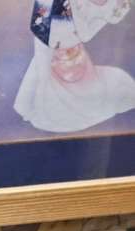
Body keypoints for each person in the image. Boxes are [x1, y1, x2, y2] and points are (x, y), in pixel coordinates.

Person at [14, 0, 135, 132]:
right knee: (47, 81)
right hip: (52, 45)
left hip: (68, 45)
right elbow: (42, 32)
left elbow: (87, 31)